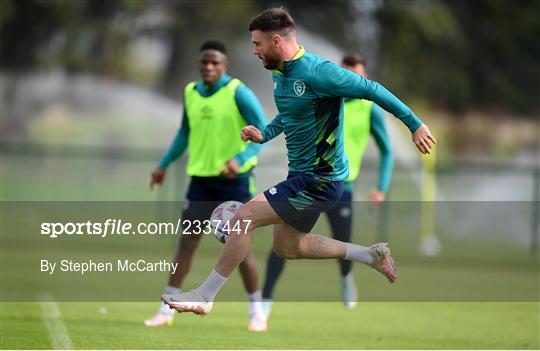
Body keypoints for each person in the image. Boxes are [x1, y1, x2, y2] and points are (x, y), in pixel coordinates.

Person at [161, 8, 436, 319]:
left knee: (244, 216)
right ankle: (370, 255)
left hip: (320, 178)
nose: (254, 51)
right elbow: (290, 114)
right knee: (289, 248)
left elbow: (371, 89)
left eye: (257, 44)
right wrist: (263, 134)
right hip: (304, 176)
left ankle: (205, 295)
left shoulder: (319, 72)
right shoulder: (282, 75)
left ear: (277, 41)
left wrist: (414, 124)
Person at [145, 40, 268, 332]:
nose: (209, 67)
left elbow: (262, 133)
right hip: (200, 182)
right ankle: (166, 309)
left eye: (215, 63)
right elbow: (184, 133)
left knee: (241, 249)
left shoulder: (238, 91)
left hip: (235, 183)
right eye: (205, 62)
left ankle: (257, 311)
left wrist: (240, 159)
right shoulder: (191, 92)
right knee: (186, 245)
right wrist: (163, 164)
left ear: (225, 66)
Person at [261, 52, 394, 313]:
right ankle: (264, 302)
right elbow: (293, 115)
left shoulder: (369, 109)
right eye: (345, 73)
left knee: (342, 241)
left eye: (355, 74)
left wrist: (381, 187)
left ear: (363, 75)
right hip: (309, 182)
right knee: (283, 242)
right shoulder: (329, 97)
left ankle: (347, 280)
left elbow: (386, 150)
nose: (350, 79)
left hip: (342, 186)